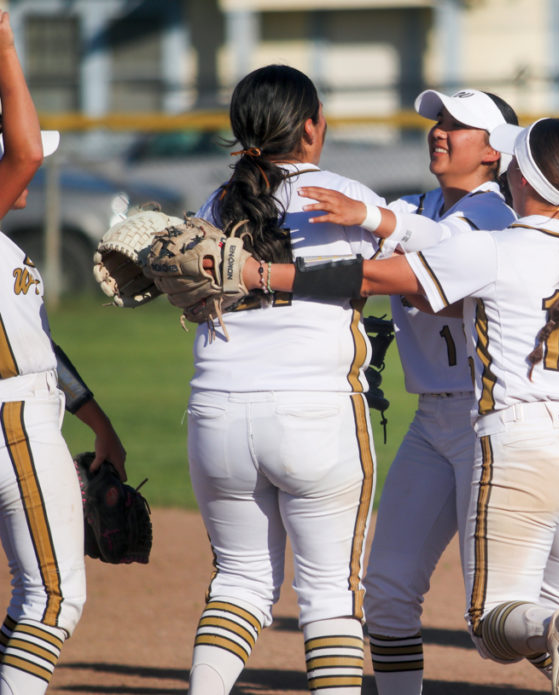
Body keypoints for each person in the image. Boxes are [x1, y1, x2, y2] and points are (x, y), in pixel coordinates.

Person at [231, 116, 559, 695]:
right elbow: (454, 297)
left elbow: (375, 274)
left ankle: (553, 625)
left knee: (496, 628)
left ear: (515, 173)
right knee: (555, 609)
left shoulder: (494, 246)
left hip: (519, 440)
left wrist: (260, 273)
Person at [298, 87, 518, 694]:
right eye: (438, 121)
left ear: (496, 152)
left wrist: (370, 230)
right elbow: (346, 251)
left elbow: (428, 283)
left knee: (497, 613)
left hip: (491, 421)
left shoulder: (499, 215)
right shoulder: (413, 204)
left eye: (459, 125)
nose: (439, 132)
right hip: (431, 422)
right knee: (388, 590)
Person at [183, 64, 382, 695]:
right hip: (315, 413)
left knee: (239, 583)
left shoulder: (214, 205)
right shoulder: (346, 196)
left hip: (217, 414)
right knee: (329, 593)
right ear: (313, 127)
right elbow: (405, 282)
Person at [0, 11, 127, 694]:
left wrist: (97, 421)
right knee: (51, 599)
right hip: (10, 422)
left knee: (35, 597)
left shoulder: (8, 249)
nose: (27, 164)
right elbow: (24, 155)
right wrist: (6, 46)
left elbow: (40, 346)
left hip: (28, 408)